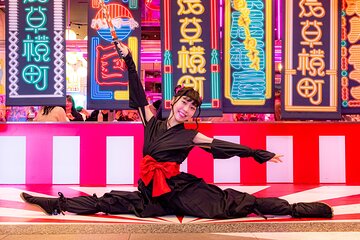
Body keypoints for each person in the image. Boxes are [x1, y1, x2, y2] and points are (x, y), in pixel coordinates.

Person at [20, 44, 333, 219]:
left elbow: (221, 146)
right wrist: (128, 60)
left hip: (181, 191)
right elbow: (139, 92)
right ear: (174, 102)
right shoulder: (151, 120)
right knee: (108, 200)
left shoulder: (191, 135)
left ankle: (295, 209)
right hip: (150, 194)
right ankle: (56, 205)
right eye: (184, 103)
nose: (187, 109)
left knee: (234, 203)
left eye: (192, 108)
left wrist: (257, 153)